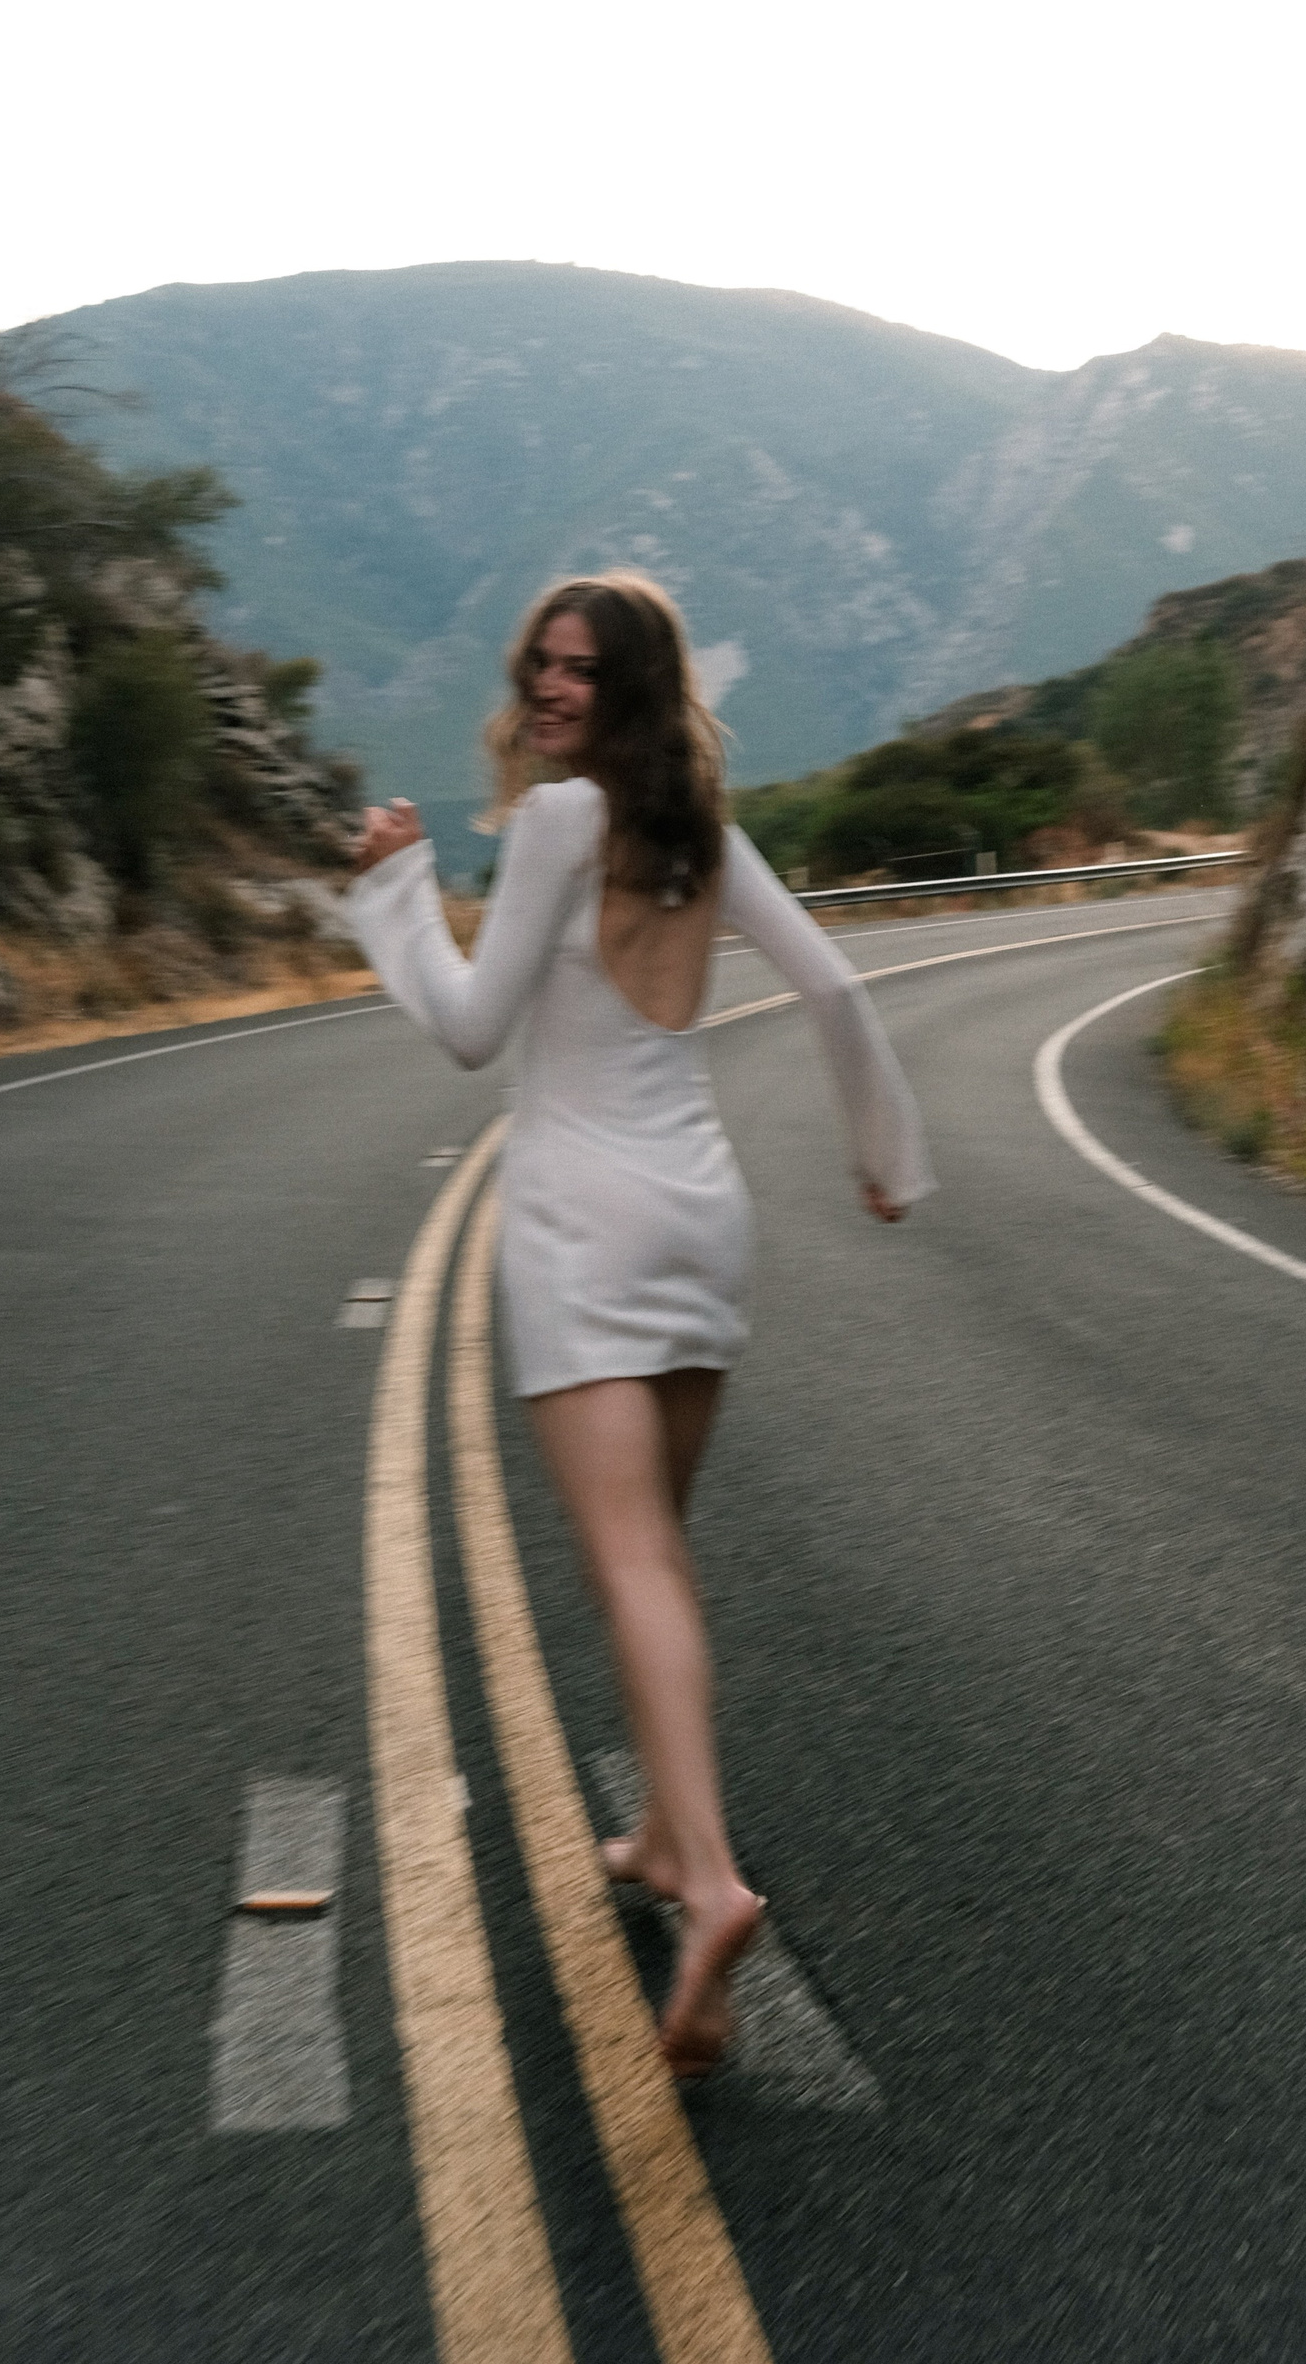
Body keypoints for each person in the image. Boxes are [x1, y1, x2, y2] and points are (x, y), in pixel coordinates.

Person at [345, 571, 934, 2076]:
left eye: (581, 671)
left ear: (631, 691)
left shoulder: (558, 823)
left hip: (580, 1224)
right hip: (701, 1217)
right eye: (540, 664)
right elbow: (835, 991)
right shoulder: (702, 834)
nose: (550, 688)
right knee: (656, 1552)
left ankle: (713, 1879)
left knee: (630, 1562)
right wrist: (887, 1160)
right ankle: (667, 1843)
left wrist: (395, 894)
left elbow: (471, 1032)